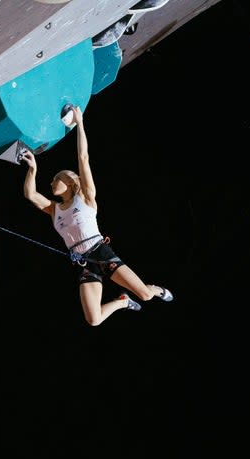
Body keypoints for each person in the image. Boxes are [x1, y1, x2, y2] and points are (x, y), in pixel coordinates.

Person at [20, 105, 173, 326]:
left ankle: (158, 289)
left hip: (101, 252)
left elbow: (83, 157)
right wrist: (32, 169)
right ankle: (122, 302)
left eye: (56, 179)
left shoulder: (86, 198)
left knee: (146, 295)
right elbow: (30, 194)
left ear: (69, 182)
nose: (51, 182)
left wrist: (80, 123)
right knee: (94, 320)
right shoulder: (54, 210)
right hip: (84, 263)